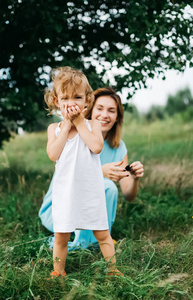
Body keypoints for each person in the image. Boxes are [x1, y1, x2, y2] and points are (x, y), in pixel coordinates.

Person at [39, 86, 144, 250]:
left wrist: (135, 178)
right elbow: (67, 173)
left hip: (86, 212)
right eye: (100, 109)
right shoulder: (73, 134)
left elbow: (129, 195)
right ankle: (84, 244)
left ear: (117, 117)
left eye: (111, 111)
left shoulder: (118, 148)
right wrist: (100, 172)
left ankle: (97, 238)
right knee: (106, 185)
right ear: (90, 111)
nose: (105, 115)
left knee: (109, 188)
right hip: (60, 208)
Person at [44, 67, 122, 277]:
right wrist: (68, 123)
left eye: (77, 97)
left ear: (87, 100)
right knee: (61, 237)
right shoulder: (55, 129)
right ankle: (58, 271)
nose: (71, 103)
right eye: (65, 98)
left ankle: (112, 269)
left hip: (90, 192)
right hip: (65, 193)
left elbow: (96, 147)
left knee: (103, 234)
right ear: (56, 100)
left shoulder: (92, 124)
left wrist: (78, 123)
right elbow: (53, 154)